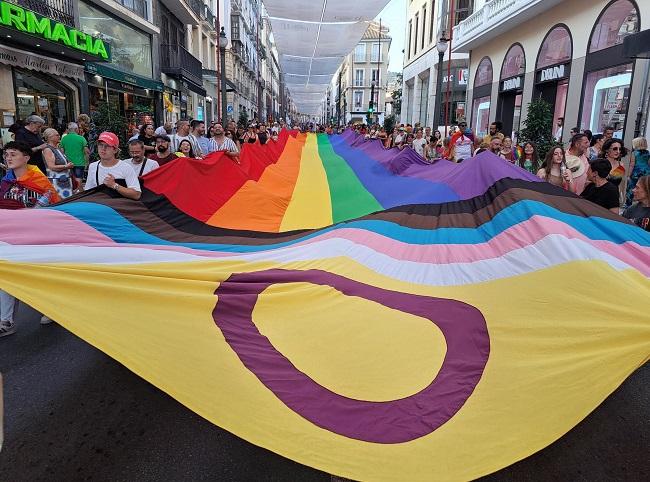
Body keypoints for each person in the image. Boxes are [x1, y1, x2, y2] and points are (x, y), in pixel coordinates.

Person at [0, 141, 61, 337]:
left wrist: (30, 214)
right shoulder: (5, 181)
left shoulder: (39, 179)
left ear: (26, 157)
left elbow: (54, 206)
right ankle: (6, 320)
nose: (8, 158)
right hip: (9, 237)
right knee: (6, 275)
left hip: (35, 237)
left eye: (13, 154)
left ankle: (50, 308)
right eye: (6, 154)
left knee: (37, 276)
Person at [83, 132, 141, 200]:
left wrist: (114, 185)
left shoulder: (126, 167)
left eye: (107, 146)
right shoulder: (93, 166)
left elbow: (136, 194)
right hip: (100, 206)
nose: (103, 148)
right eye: (100, 145)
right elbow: (88, 192)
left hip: (118, 208)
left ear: (115, 150)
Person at [42, 128, 75, 199]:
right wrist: (66, 166)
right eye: (57, 135)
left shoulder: (57, 148)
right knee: (60, 202)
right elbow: (51, 166)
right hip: (56, 183)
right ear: (50, 137)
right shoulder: (48, 149)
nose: (59, 136)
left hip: (64, 181)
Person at [625, 137, 650, 208]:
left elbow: (632, 164)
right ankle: (643, 203)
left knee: (631, 188)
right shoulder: (648, 153)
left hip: (636, 173)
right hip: (646, 172)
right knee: (645, 187)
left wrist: (628, 175)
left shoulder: (634, 153)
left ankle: (628, 204)